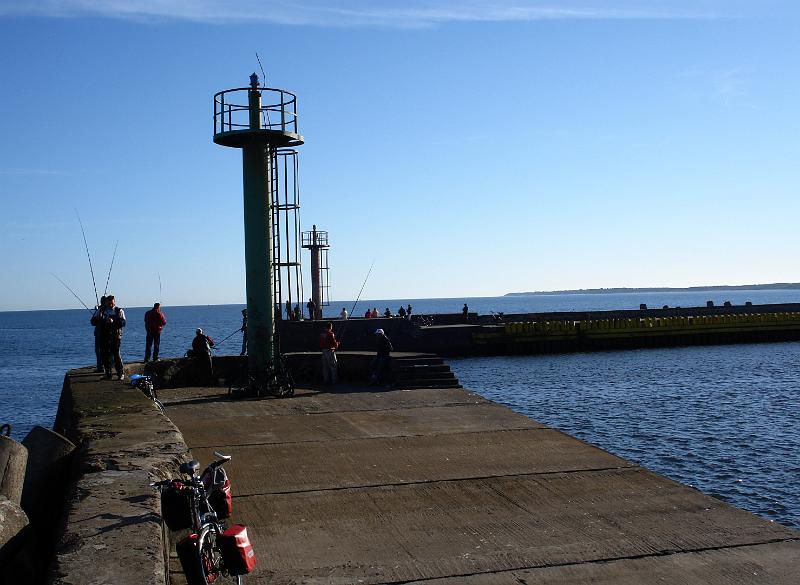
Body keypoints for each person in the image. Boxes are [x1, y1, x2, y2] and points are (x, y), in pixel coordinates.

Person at [94, 295, 126, 380]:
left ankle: (120, 373)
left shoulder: (119, 311)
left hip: (115, 336)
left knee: (116, 354)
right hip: (104, 335)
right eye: (109, 303)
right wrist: (98, 317)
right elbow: (92, 322)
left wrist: (113, 321)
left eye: (112, 303)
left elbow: (123, 323)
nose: (111, 305)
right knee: (105, 355)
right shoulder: (101, 310)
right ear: (106, 303)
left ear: (114, 302)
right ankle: (108, 374)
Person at [91, 295, 107, 372]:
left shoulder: (100, 310)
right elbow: (93, 322)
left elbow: (92, 322)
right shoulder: (110, 310)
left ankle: (101, 367)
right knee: (106, 351)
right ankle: (105, 367)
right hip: (104, 334)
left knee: (99, 351)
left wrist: (97, 316)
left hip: (100, 333)